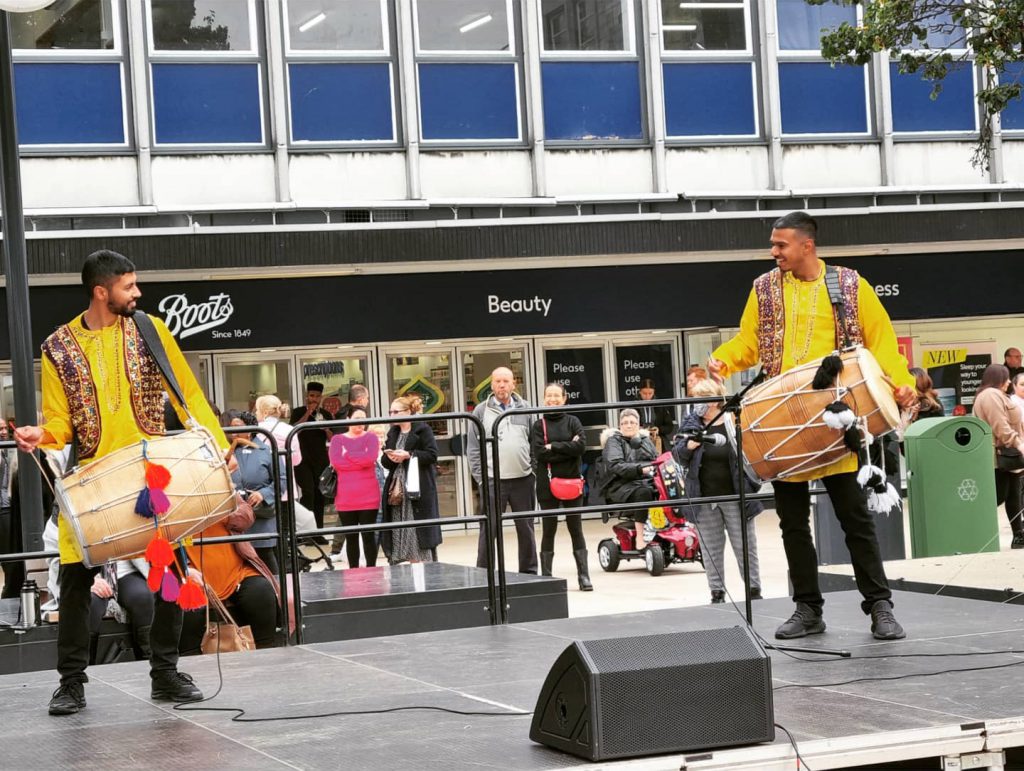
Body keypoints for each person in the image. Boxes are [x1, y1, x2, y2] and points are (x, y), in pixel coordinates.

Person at [14, 249, 228, 715]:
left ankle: (165, 673)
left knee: (169, 577)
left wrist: (218, 446)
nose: (138, 292)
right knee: (74, 585)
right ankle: (71, 683)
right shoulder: (57, 347)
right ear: (101, 291)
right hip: (91, 482)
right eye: (129, 286)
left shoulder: (152, 330)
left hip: (150, 478)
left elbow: (186, 392)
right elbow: (60, 422)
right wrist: (40, 434)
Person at [707, 212, 916, 641]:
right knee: (792, 524)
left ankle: (880, 606)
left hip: (837, 420)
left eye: (781, 245)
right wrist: (723, 359)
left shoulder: (851, 286)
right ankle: (807, 608)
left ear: (807, 245)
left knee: (854, 519)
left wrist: (903, 384)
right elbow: (749, 342)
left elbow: (882, 342)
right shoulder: (763, 289)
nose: (774, 252)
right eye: (773, 244)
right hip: (784, 424)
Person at [675, 378, 762, 604]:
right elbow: (678, 455)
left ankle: (753, 590)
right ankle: (716, 592)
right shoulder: (691, 424)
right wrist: (688, 446)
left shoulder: (733, 420)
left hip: (735, 495)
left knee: (745, 546)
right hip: (704, 497)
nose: (697, 404)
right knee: (710, 549)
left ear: (714, 400)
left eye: (702, 399)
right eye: (695, 399)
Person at [180, 498, 280, 654]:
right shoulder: (168, 494)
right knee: (187, 603)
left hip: (237, 572)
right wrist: (183, 569)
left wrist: (225, 511)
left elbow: (247, 518)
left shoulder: (217, 484)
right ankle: (190, 660)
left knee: (261, 591)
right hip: (189, 573)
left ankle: (266, 652)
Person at [467, 367, 538, 574]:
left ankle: (529, 572)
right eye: (497, 381)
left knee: (526, 528)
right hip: (492, 480)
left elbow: (534, 442)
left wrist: (531, 470)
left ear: (513, 383)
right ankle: (484, 573)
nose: (502, 385)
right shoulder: (480, 411)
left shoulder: (525, 408)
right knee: (489, 530)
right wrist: (480, 477)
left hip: (523, 479)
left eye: (506, 381)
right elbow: (472, 447)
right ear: (491, 384)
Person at [530, 383, 590, 591]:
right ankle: (546, 577)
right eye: (549, 395)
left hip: (572, 482)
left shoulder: (573, 421)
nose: (552, 399)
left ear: (565, 398)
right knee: (549, 529)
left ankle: (584, 576)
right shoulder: (539, 425)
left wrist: (553, 446)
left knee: (576, 528)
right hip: (547, 484)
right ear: (544, 398)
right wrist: (568, 447)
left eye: (556, 395)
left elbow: (581, 446)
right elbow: (539, 453)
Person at [380, 396, 442, 564]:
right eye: (390, 412)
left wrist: (409, 455)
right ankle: (404, 560)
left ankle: (422, 569)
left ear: (408, 412)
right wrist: (390, 456)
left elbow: (432, 455)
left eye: (395, 412)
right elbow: (385, 462)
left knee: (417, 531)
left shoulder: (423, 429)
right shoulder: (393, 432)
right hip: (397, 490)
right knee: (398, 527)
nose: (391, 415)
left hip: (417, 486)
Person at [972, 364, 1024, 550]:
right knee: (998, 496)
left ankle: (1019, 535)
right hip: (999, 456)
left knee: (1013, 496)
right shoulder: (990, 395)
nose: (1009, 381)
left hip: (1009, 455)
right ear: (997, 378)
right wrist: (1018, 443)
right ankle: (974, 530)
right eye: (1006, 377)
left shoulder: (998, 395)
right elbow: (1000, 425)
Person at [225, 410, 280, 574]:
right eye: (230, 428)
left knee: (265, 555)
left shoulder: (266, 451)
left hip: (259, 513)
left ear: (249, 429)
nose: (233, 432)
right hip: (233, 513)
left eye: (238, 427)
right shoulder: (227, 451)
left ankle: (279, 592)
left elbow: (282, 479)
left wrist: (263, 494)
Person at [600, 409, 659, 550]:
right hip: (622, 485)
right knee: (644, 493)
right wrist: (640, 469)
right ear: (620, 426)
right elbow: (616, 465)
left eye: (632, 422)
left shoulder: (645, 441)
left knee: (670, 491)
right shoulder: (614, 441)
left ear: (638, 425)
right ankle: (640, 537)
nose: (628, 425)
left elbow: (656, 460)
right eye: (625, 423)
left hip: (647, 481)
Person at [329, 407, 380, 568]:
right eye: (357, 417)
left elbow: (370, 458)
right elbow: (336, 462)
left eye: (364, 418)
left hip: (369, 494)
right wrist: (360, 457)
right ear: (348, 419)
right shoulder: (337, 439)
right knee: (350, 537)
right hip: (346, 496)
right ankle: (353, 570)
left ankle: (371, 568)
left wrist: (348, 455)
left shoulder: (371, 438)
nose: (361, 422)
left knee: (368, 535)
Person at [291, 382, 334, 544]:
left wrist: (326, 428)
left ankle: (318, 533)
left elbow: (332, 438)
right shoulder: (298, 412)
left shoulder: (326, 414)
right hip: (302, 460)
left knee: (319, 495)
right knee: (308, 493)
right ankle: (304, 533)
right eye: (311, 396)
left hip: (320, 460)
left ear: (321, 397)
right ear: (307, 396)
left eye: (316, 396)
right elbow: (293, 430)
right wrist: (308, 413)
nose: (313, 399)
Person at [637, 378, 675, 452]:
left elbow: (669, 426)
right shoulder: (633, 406)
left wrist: (659, 429)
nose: (647, 397)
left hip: (658, 441)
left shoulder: (660, 405)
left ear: (654, 392)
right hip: (639, 440)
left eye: (650, 393)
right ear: (640, 392)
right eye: (644, 393)